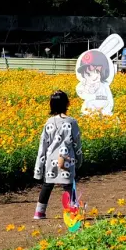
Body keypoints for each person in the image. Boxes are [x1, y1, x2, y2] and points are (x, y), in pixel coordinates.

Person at [33, 91, 83, 219]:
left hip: (50, 159)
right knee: (68, 185)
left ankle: (39, 212)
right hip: (66, 159)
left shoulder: (49, 122)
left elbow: (42, 145)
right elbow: (77, 143)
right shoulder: (72, 122)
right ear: (67, 103)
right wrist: (79, 160)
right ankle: (73, 211)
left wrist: (38, 169)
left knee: (47, 185)